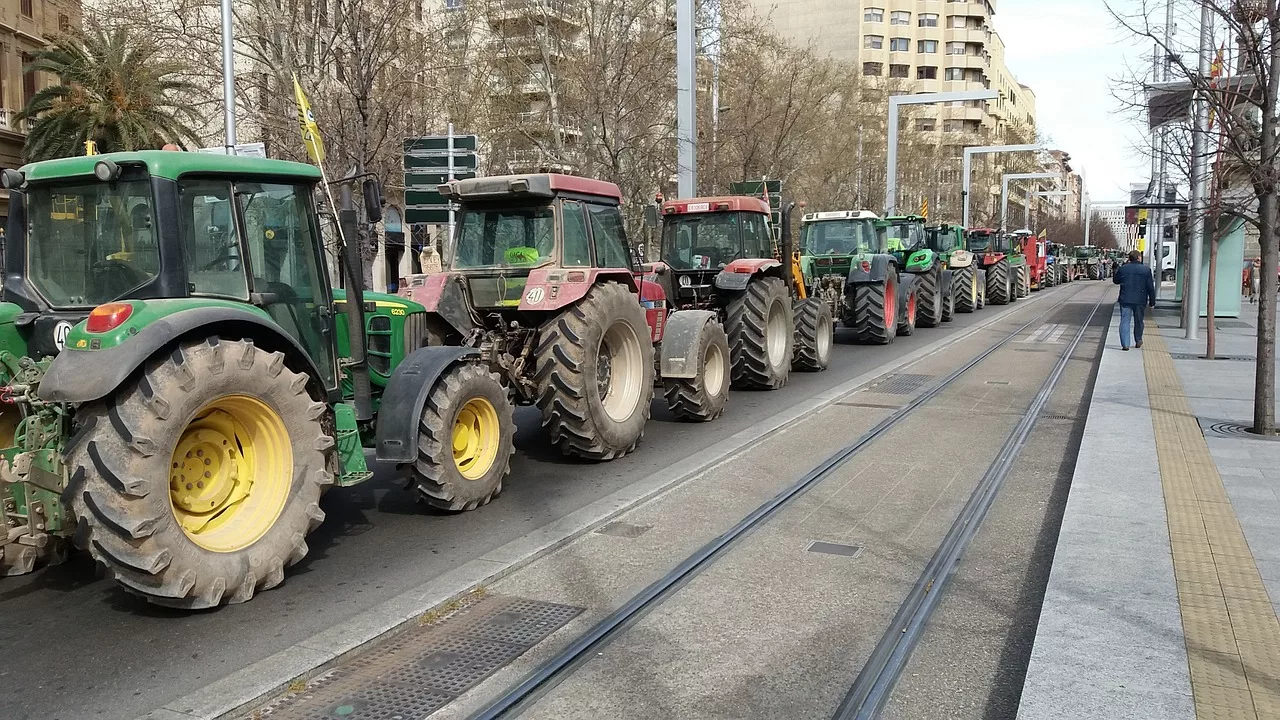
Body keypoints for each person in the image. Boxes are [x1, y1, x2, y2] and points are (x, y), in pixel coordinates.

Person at [1113, 249, 1157, 351]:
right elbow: (1150, 287)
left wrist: (1115, 270)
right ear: (1139, 258)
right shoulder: (1146, 270)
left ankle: (1125, 344)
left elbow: (1116, 281)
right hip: (1140, 300)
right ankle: (1138, 339)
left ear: (1129, 258)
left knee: (1124, 321)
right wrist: (1152, 302)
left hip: (1125, 299)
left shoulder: (1123, 269)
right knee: (1139, 321)